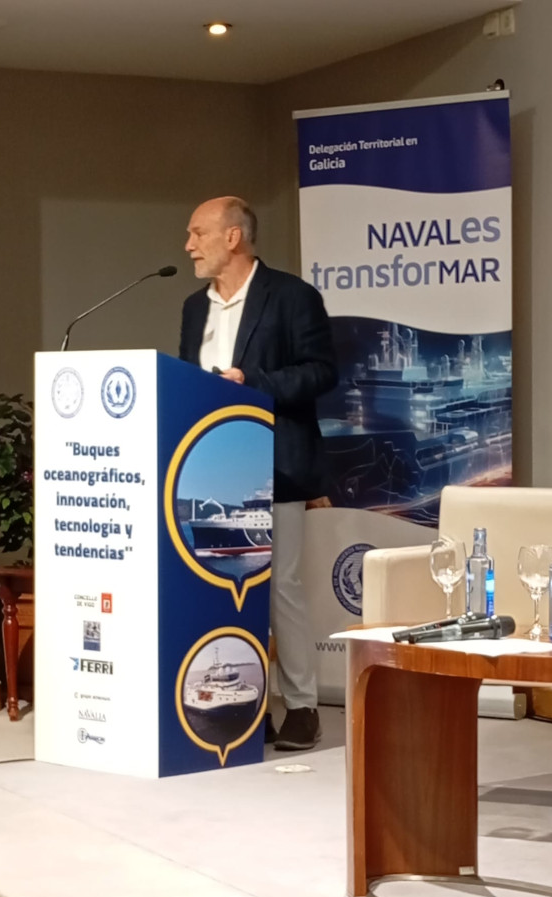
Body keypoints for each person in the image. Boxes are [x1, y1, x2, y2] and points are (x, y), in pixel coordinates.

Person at [179, 196, 338, 751]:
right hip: (210, 473)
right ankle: (246, 705)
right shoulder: (193, 308)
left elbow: (322, 372)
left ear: (233, 237)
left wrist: (255, 383)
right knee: (225, 587)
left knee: (280, 589)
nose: (188, 246)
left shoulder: (291, 296)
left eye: (197, 233)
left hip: (276, 464)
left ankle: (301, 706)